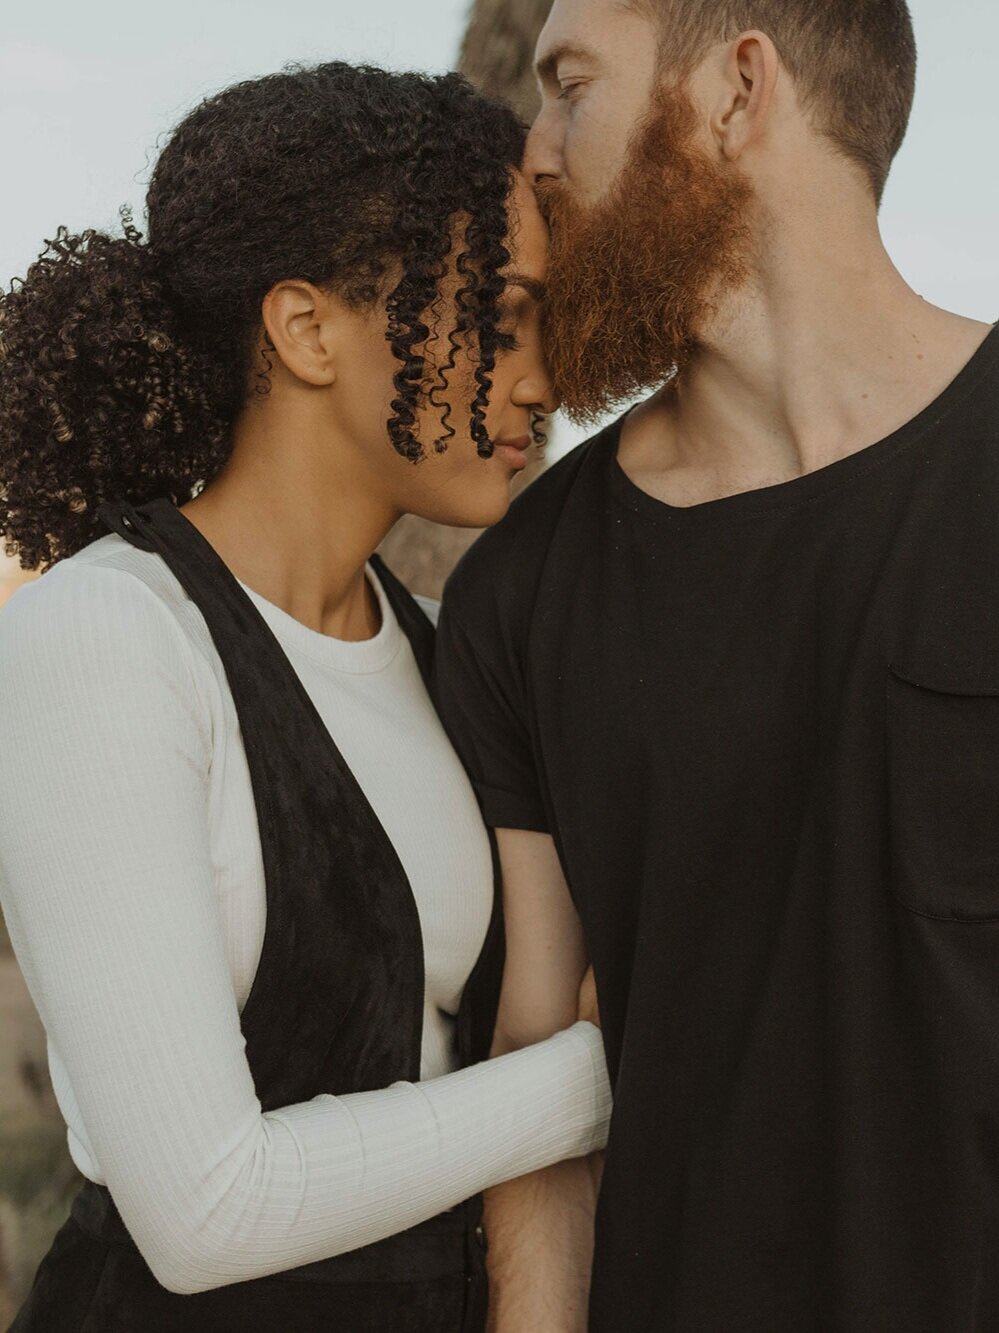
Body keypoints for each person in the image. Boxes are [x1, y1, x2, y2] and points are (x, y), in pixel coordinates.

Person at [0, 62, 612, 1332]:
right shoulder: (107, 636)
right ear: (307, 328)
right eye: (499, 314)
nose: (540, 381)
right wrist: (605, 1077)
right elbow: (204, 1210)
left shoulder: (449, 656)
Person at [435, 0, 999, 1329]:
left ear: (737, 90)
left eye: (571, 85)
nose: (535, 151)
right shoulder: (520, 592)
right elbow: (536, 1066)